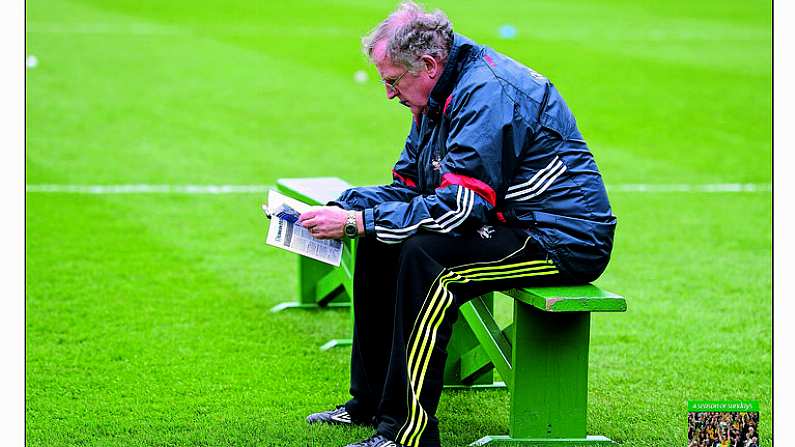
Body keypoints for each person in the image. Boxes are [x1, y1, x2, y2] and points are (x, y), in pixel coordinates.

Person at [298, 2, 616, 446]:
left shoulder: (485, 91)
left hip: (561, 237)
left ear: (428, 64)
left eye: (392, 81)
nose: (389, 94)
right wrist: (338, 209)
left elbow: (460, 209)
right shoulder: (434, 94)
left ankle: (407, 434)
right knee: (378, 241)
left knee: (428, 259)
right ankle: (368, 404)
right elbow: (409, 187)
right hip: (507, 222)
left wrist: (356, 220)